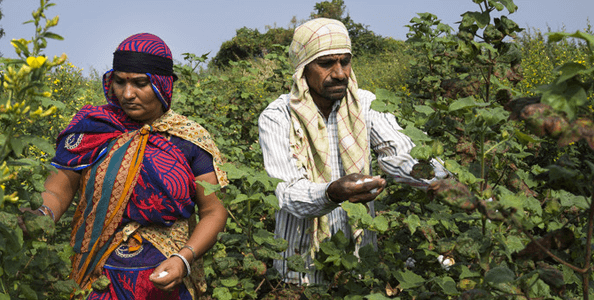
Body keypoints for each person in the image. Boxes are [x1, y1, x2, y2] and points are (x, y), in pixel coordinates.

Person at [26, 33, 228, 299]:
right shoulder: (93, 129)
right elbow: (59, 188)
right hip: (97, 274)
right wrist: (41, 214)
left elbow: (214, 212)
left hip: (163, 276)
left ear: (162, 84)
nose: (127, 94)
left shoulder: (189, 139)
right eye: (120, 82)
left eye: (140, 83)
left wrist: (183, 259)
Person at [258, 18, 449, 285]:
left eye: (344, 61)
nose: (339, 73)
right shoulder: (278, 117)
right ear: (302, 69)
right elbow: (287, 191)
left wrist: (443, 182)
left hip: (358, 266)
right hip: (300, 268)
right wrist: (332, 192)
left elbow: (399, 154)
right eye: (326, 63)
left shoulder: (366, 104)